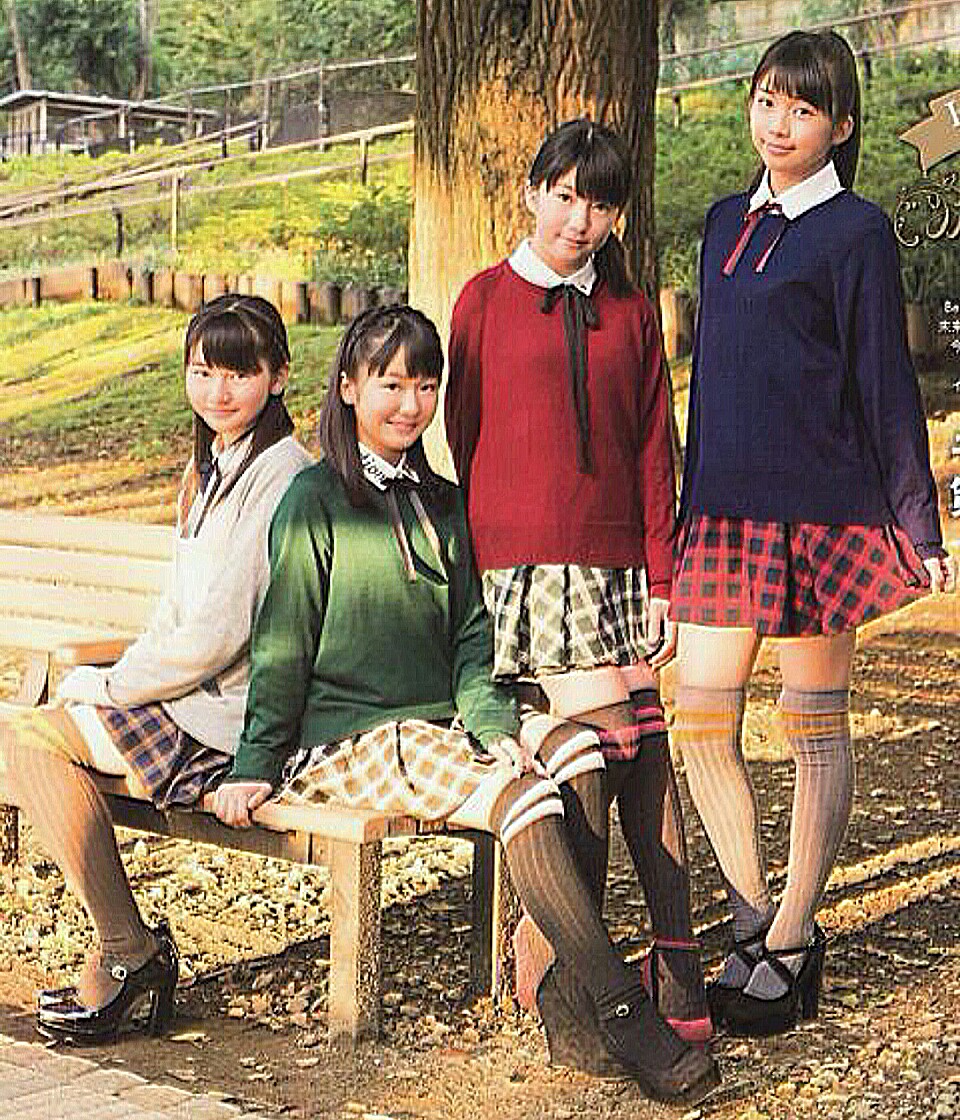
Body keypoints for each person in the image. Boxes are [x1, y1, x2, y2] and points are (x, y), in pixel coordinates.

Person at [212, 304, 719, 1104]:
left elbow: (472, 642)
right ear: (347, 388)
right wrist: (253, 763)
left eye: (425, 385)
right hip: (352, 736)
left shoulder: (445, 503)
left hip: (440, 720)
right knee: (524, 797)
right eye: (389, 385)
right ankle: (621, 1008)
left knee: (580, 750)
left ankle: (565, 997)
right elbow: (283, 645)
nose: (409, 404)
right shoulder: (314, 499)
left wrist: (490, 723)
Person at [671, 29, 957, 1038]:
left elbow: (885, 382)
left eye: (802, 108)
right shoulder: (723, 222)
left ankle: (793, 939)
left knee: (812, 725)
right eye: (766, 101)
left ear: (840, 126)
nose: (779, 123)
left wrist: (919, 522)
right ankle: (755, 916)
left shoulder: (859, 232)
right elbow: (709, 386)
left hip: (824, 512)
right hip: (722, 513)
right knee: (700, 720)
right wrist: (682, 513)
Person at [444, 118, 710, 1052]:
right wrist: (490, 559)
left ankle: (666, 954)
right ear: (532, 193)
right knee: (606, 738)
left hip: (618, 565)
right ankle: (573, 968)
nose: (578, 219)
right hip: (521, 566)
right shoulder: (482, 299)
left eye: (598, 204)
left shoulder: (628, 313)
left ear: (616, 215)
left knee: (647, 742)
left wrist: (663, 577)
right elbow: (464, 435)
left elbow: (653, 450)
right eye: (563, 196)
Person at [0, 295, 314, 1043]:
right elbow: (176, 609)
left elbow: (219, 635)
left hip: (228, 718)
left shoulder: (283, 477)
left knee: (29, 742)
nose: (219, 392)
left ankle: (128, 951)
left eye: (239, 373)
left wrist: (113, 685)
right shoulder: (210, 467)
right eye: (203, 372)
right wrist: (118, 674)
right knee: (28, 737)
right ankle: (127, 948)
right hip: (185, 697)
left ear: (278, 376)